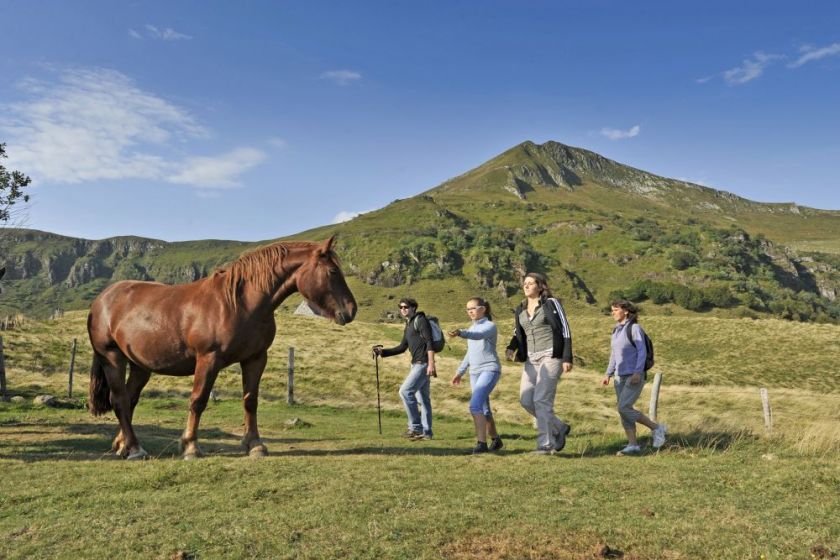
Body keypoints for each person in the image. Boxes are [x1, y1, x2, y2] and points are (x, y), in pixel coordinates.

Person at [505, 273, 573, 455]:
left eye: (530, 283)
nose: (526, 286)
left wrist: (567, 357)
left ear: (540, 286)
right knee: (526, 400)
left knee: (541, 400)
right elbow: (517, 331)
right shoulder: (521, 308)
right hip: (530, 358)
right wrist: (511, 347)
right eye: (524, 283)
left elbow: (565, 328)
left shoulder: (551, 303)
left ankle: (545, 444)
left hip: (551, 356)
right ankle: (559, 427)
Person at [602, 299, 666, 455]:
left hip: (633, 375)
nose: (613, 312)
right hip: (619, 376)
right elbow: (614, 354)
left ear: (626, 311)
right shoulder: (616, 331)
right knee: (624, 411)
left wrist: (638, 372)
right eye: (612, 310)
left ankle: (657, 428)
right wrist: (608, 373)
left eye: (616, 309)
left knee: (623, 407)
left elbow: (642, 351)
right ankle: (633, 445)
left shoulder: (635, 328)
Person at [372, 298, 437, 440]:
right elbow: (402, 347)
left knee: (405, 392)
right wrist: (383, 352)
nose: (402, 309)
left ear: (413, 307)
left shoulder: (421, 320)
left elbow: (429, 342)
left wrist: (431, 363)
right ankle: (427, 433)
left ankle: (415, 428)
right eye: (400, 307)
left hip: (423, 363)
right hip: (416, 364)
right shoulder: (408, 325)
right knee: (423, 399)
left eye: (405, 307)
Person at [448, 297, 503, 454]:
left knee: (474, 405)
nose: (470, 311)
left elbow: (478, 335)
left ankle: (481, 444)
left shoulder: (489, 326)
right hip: (474, 373)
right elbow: (469, 353)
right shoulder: (471, 329)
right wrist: (459, 372)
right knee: (484, 410)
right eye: (468, 309)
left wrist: (461, 333)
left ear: (483, 309)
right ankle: (496, 440)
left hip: (490, 370)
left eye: (473, 308)